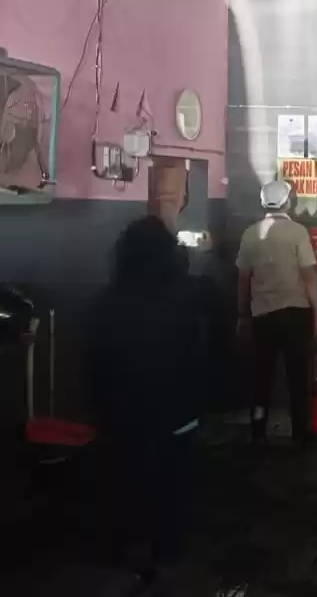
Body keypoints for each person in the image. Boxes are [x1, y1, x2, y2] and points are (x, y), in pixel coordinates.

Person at [88, 216, 215, 580]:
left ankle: (117, 549)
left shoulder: (104, 302)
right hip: (177, 413)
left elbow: (94, 365)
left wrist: (99, 411)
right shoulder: (191, 295)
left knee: (122, 483)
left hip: (122, 415)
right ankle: (166, 552)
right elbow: (206, 349)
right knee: (173, 486)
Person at [237, 180, 317, 447]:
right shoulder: (298, 232)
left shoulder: (250, 233)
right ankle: (300, 435)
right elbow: (308, 275)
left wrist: (242, 315)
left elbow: (243, 279)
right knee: (297, 377)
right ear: (288, 202)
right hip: (295, 314)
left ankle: (258, 431)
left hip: (262, 315)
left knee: (261, 378)